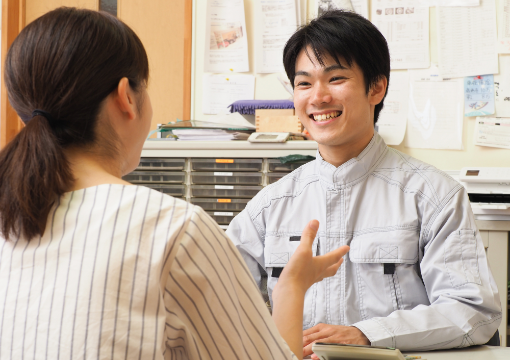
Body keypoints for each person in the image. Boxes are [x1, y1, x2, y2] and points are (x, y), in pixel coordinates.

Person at [0, 8, 349, 360]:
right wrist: (291, 286)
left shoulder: (9, 215)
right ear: (127, 97)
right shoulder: (174, 228)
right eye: (303, 83)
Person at [226, 10, 502, 358]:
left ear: (377, 87)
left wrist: (366, 334)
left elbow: (473, 310)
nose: (318, 97)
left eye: (336, 78)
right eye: (304, 83)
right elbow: (219, 303)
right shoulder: (269, 207)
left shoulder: (434, 196)